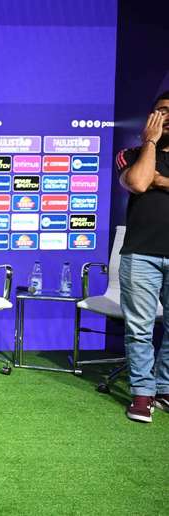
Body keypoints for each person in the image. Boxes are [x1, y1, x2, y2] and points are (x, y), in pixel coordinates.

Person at [116, 90, 169, 423]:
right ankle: (143, 394)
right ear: (151, 117)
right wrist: (151, 143)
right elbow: (137, 181)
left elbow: (149, 180)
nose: (167, 117)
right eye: (161, 111)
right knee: (140, 329)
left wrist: (159, 180)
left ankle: (164, 388)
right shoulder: (133, 153)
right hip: (140, 254)